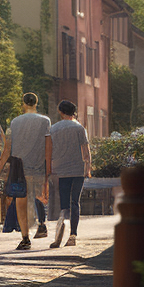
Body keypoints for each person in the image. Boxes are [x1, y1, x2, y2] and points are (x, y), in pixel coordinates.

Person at [0, 92, 51, 250]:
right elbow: (48, 146)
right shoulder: (45, 121)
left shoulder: (15, 122)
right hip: (38, 167)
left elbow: (7, 149)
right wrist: (49, 170)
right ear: (36, 103)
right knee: (39, 197)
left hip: (19, 168)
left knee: (21, 203)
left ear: (24, 104)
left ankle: (25, 238)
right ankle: (42, 224)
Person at [48, 100, 91, 248]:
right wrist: (88, 167)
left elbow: (49, 149)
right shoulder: (79, 128)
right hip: (78, 169)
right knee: (75, 202)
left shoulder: (53, 129)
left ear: (61, 112)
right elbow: (86, 149)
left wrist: (50, 168)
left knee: (64, 204)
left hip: (60, 169)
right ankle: (73, 235)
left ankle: (59, 232)